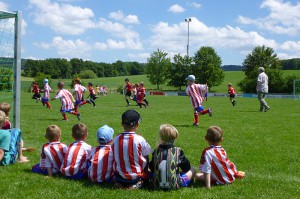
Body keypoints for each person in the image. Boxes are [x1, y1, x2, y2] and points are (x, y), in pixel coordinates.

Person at [113, 110, 152, 189]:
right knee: (150, 174)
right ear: (137, 125)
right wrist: (146, 170)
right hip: (136, 177)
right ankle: (137, 183)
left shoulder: (116, 139)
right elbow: (146, 155)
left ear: (122, 124)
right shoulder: (140, 139)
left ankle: (120, 183)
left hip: (119, 176)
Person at [149, 124, 195, 190]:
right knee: (192, 169)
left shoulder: (156, 151)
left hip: (157, 184)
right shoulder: (178, 151)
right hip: (174, 185)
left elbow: (152, 167)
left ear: (161, 138)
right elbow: (186, 167)